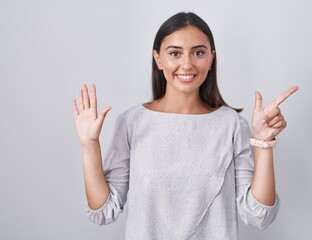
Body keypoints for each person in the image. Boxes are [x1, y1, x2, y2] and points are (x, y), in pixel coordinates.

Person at [72, 12, 298, 240]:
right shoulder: (131, 122)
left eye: (198, 53)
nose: (187, 64)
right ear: (158, 59)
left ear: (211, 58)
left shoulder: (232, 125)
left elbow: (259, 216)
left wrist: (263, 143)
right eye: (175, 53)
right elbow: (104, 211)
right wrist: (90, 145)